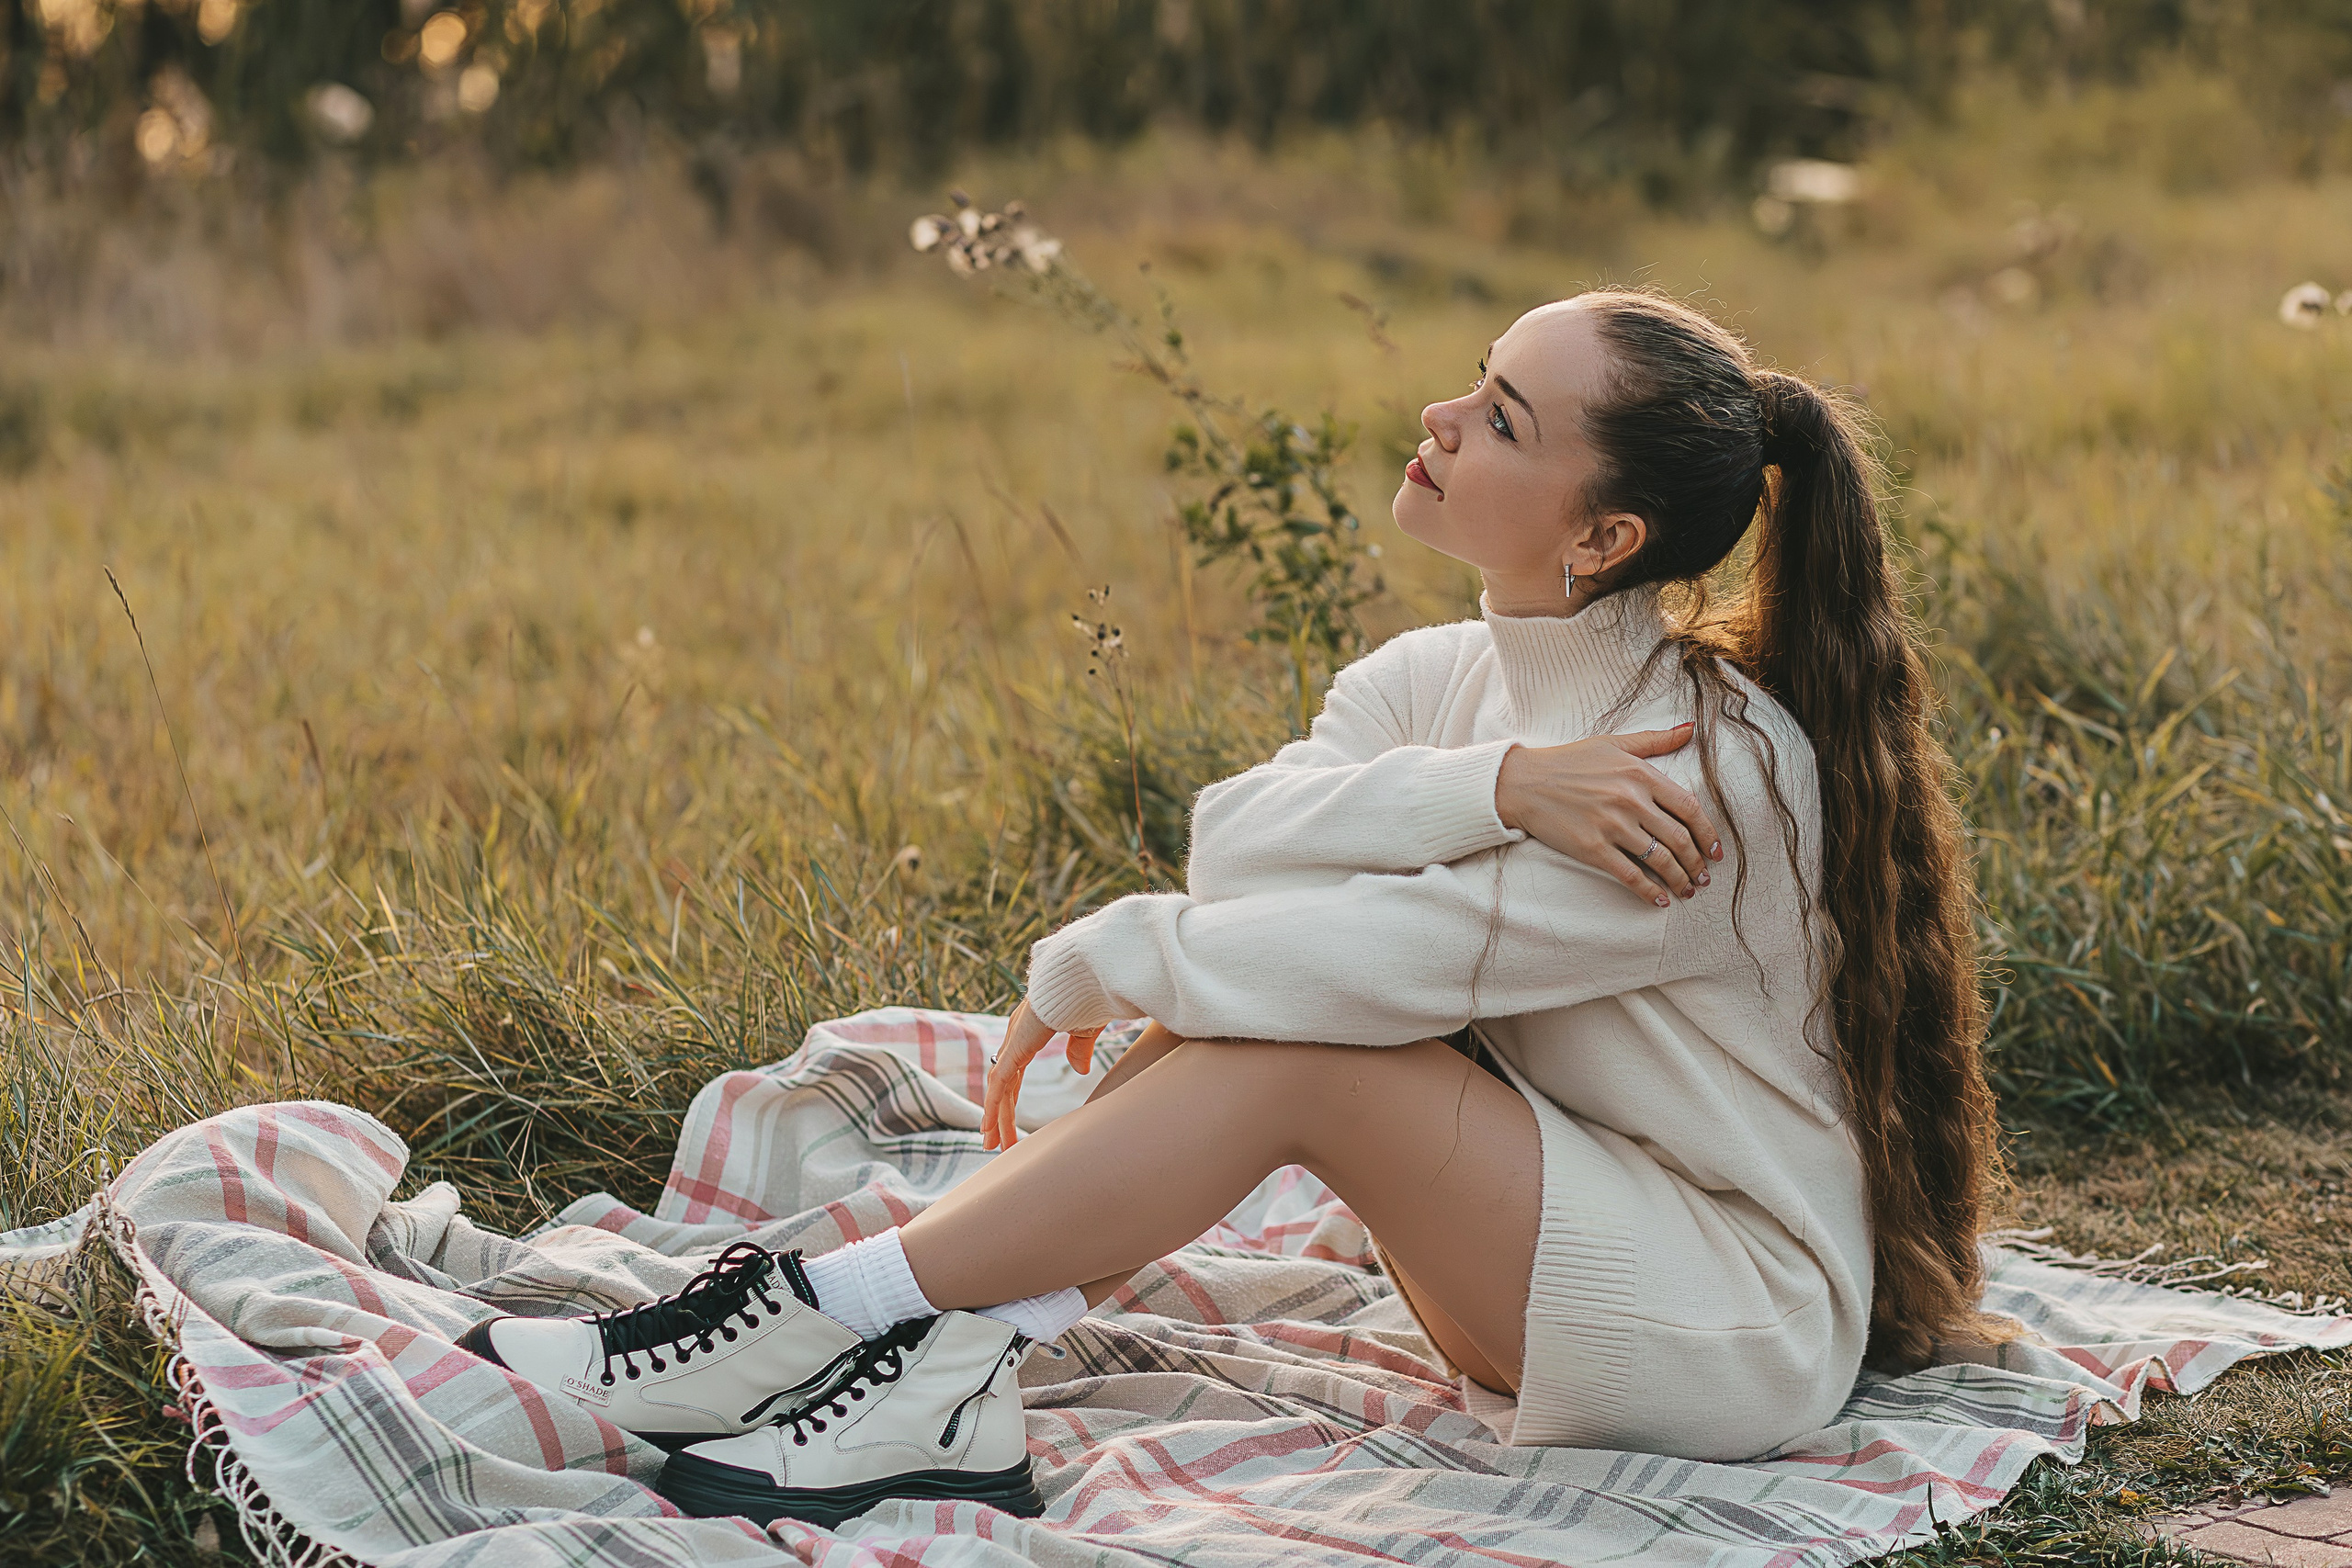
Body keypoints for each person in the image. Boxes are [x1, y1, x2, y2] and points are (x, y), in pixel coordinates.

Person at [462, 288, 2007, 1525]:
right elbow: (1239, 842)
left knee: (1298, 1044)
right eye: (1473, 378)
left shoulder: (1703, 776)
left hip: (1718, 1320)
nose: (1439, 416)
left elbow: (1370, 965)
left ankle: (820, 1315)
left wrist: (1110, 958)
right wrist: (1497, 788)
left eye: (1501, 418)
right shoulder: (1439, 685)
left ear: (1603, 539)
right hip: (1540, 1267)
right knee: (1283, 1021)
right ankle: (938, 1358)